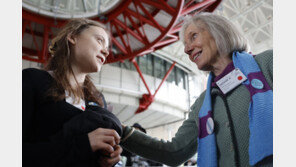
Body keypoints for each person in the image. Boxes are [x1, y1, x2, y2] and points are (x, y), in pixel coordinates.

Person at [120, 13, 273, 167]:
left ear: (219, 32)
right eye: (185, 44)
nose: (186, 49)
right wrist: (120, 131)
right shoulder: (201, 105)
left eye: (193, 37)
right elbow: (174, 152)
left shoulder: (268, 63)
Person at [23, 18, 123, 167]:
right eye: (99, 40)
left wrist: (108, 156)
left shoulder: (98, 100)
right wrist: (85, 143)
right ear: (72, 37)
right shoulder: (32, 79)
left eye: (107, 46)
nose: (106, 51)